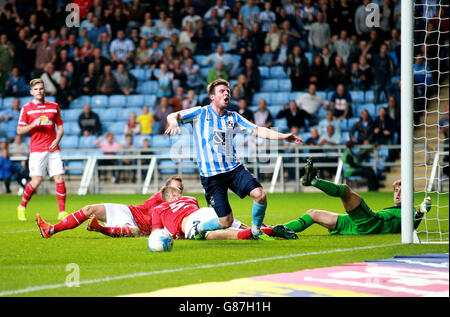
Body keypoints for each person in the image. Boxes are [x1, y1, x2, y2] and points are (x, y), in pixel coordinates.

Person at [164, 79, 302, 239]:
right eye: (222, 91)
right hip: (211, 176)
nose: (226, 93)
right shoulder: (201, 113)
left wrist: (283, 137)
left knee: (260, 195)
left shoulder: (233, 117)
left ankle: (256, 230)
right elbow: (173, 115)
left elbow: (257, 130)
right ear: (212, 97)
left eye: (227, 91)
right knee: (225, 221)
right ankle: (200, 228)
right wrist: (174, 121)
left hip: (233, 169)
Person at [274, 157, 431, 236]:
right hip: (355, 225)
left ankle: (314, 180)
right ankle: (276, 231)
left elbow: (412, 225)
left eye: (401, 191)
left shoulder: (407, 212)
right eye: (396, 190)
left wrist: (421, 212)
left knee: (345, 190)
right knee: (312, 213)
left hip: (371, 222)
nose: (397, 194)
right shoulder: (396, 210)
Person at [36, 176, 184, 238]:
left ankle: (99, 228)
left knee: (134, 231)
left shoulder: (180, 207)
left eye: (179, 189)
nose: (176, 192)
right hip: (127, 210)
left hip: (136, 226)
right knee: (89, 209)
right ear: (165, 188)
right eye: (173, 188)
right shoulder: (162, 196)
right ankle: (50, 229)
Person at [151, 185, 297, 241]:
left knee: (210, 234)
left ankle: (251, 235)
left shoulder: (159, 208)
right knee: (229, 222)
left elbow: (156, 233)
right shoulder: (191, 199)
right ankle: (269, 230)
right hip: (206, 211)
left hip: (190, 221)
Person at [16, 78, 67, 221]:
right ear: (31, 92)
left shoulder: (54, 106)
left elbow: (61, 127)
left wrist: (57, 139)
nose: (39, 91)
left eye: (41, 88)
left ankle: (62, 212)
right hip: (37, 150)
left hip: (53, 148)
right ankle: (22, 206)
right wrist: (32, 125)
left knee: (59, 178)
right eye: (36, 89)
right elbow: (19, 130)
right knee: (36, 181)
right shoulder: (26, 109)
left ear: (45, 90)